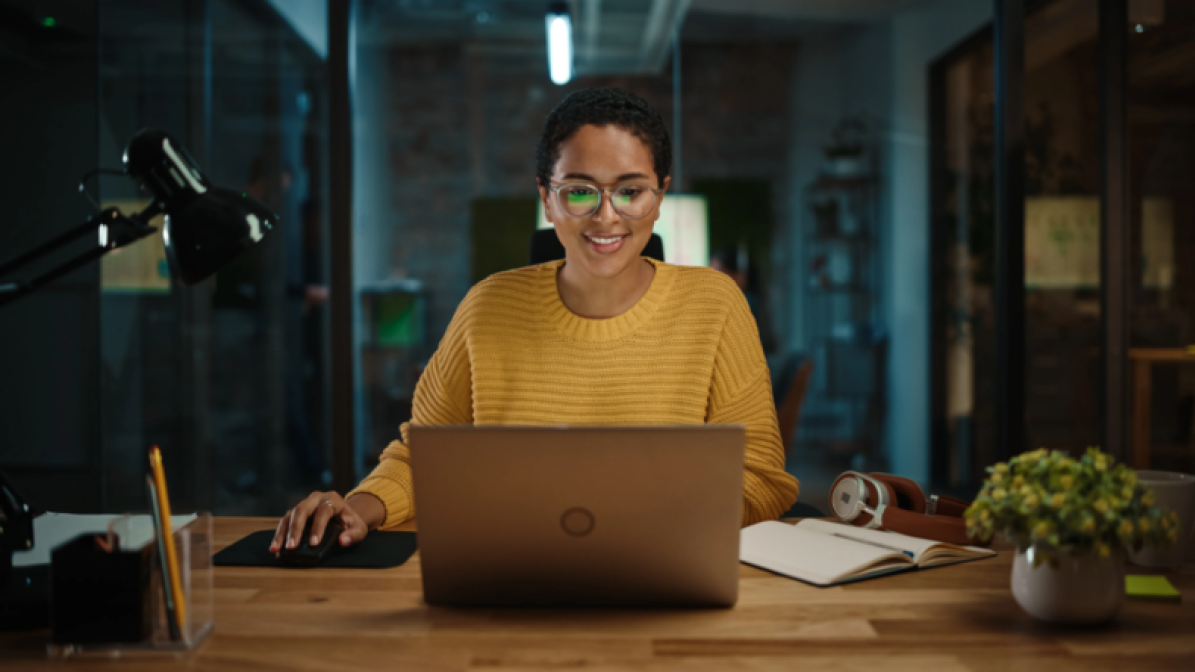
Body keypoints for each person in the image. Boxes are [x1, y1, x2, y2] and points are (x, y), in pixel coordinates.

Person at [270, 87, 799, 555]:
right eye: (580, 191)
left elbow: (761, 480)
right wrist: (358, 508)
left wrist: (649, 521)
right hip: (511, 576)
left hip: (665, 571)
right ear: (547, 197)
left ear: (659, 196)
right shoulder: (486, 307)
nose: (606, 216)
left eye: (631, 191)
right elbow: (423, 457)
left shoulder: (716, 304)